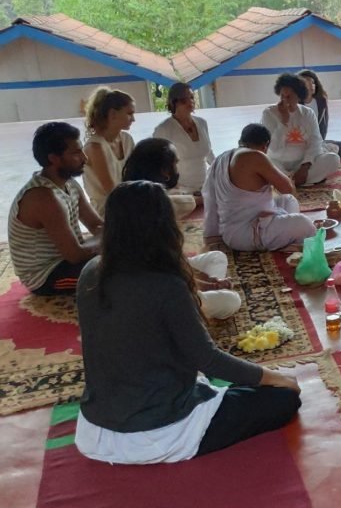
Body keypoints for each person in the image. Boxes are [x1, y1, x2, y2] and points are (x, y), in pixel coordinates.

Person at [74, 181, 301, 464]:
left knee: (227, 385)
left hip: (96, 427)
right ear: (164, 225)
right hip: (160, 432)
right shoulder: (164, 283)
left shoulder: (91, 272)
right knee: (284, 399)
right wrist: (276, 378)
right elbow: (207, 359)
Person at [122, 138, 242, 321]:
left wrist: (209, 282)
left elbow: (174, 263)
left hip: (152, 281)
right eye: (176, 163)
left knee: (217, 257)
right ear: (164, 171)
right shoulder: (155, 206)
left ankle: (200, 300)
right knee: (231, 301)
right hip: (157, 295)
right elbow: (169, 271)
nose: (178, 169)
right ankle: (190, 312)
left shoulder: (124, 194)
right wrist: (206, 286)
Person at [8, 122, 103, 296]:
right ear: (54, 158)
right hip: (47, 275)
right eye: (76, 153)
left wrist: (110, 237)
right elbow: (75, 255)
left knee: (129, 257)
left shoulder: (70, 184)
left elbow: (96, 224)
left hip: (69, 259)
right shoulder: (42, 196)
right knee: (118, 273)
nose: (84, 158)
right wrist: (108, 240)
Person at [203, 124, 316, 252]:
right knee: (304, 224)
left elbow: (209, 197)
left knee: (288, 200)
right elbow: (288, 188)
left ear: (240, 142)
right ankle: (285, 242)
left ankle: (282, 238)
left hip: (230, 231)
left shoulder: (220, 158)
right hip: (246, 233)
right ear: (265, 145)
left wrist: (211, 234)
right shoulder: (255, 156)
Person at [260, 73, 341, 186]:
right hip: (278, 163)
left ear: (298, 96)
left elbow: (316, 142)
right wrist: (284, 121)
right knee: (262, 164)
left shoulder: (308, 113)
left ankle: (287, 181)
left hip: (302, 162)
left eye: (288, 97)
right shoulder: (269, 113)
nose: (284, 100)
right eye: (282, 96)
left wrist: (305, 167)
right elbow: (272, 147)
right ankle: (296, 181)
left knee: (333, 159)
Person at [153, 82, 214, 196]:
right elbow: (158, 164)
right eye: (184, 99)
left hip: (205, 188)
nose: (190, 102)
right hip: (180, 191)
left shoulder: (202, 123)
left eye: (191, 97)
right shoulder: (164, 129)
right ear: (173, 102)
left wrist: (222, 172)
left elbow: (209, 154)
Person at [82, 87, 136, 215]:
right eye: (129, 114)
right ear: (113, 114)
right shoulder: (95, 147)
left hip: (130, 201)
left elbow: (136, 175)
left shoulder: (127, 139)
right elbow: (112, 191)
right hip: (108, 210)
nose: (133, 119)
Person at [298, 68, 341, 159]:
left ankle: (319, 154)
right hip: (299, 144)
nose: (311, 85)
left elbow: (323, 126)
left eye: (312, 82)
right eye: (306, 82)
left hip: (318, 142)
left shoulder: (321, 102)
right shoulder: (295, 104)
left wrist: (319, 143)